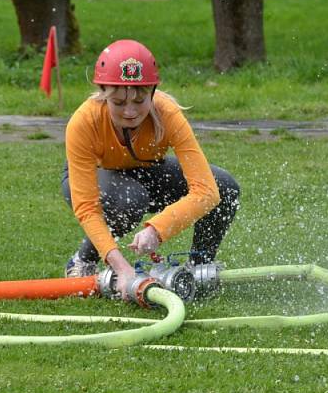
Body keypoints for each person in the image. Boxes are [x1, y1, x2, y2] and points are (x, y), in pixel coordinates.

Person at [61, 39, 240, 299]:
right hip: (101, 178)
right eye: (119, 103)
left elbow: (207, 192)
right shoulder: (83, 121)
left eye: (140, 100)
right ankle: (81, 261)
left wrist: (157, 229)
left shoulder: (168, 113)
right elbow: (87, 207)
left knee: (225, 187)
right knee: (129, 201)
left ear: (153, 91)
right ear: (103, 92)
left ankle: (199, 268)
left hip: (146, 172)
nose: (130, 111)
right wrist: (122, 269)